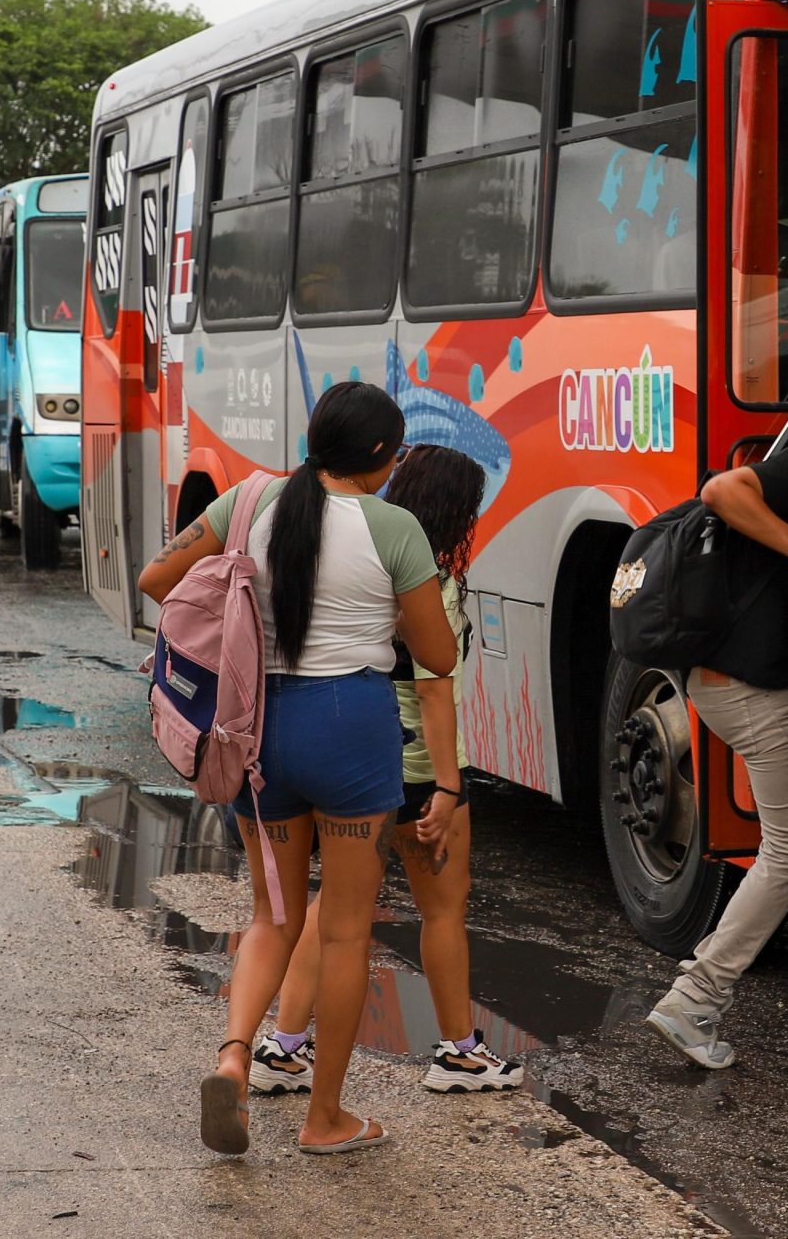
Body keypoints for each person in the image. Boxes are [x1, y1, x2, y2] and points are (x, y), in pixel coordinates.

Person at [136, 381, 459, 1157]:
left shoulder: (248, 500)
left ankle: (234, 1058)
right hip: (352, 729)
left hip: (258, 731)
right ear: (382, 455)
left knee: (272, 915)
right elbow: (438, 656)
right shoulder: (395, 528)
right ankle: (324, 1121)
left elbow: (156, 580)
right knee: (344, 933)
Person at [250, 444, 524, 1095]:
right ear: (453, 513)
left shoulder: (361, 566)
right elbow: (435, 689)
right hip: (424, 774)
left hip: (359, 761)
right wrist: (450, 785)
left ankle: (283, 1045)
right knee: (442, 912)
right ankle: (459, 1052)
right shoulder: (429, 581)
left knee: (334, 908)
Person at [645, 432, 788, 1070]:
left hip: (739, 681)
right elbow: (722, 490)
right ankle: (695, 998)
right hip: (747, 688)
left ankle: (696, 995)